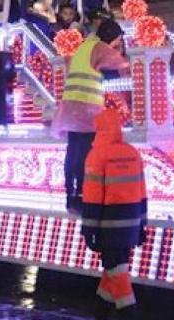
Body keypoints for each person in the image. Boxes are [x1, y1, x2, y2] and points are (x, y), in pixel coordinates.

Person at [53, 20, 131, 214]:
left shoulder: (86, 45)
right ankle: (81, 196)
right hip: (85, 109)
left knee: (73, 152)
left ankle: (70, 196)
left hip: (71, 106)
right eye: (117, 40)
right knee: (85, 154)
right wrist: (124, 50)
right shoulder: (100, 48)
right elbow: (124, 64)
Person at [82, 108, 148, 319]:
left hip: (108, 226)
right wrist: (142, 225)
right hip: (132, 222)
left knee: (117, 273)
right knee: (114, 270)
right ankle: (99, 313)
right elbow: (142, 191)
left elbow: (92, 197)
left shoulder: (97, 155)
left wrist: (88, 229)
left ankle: (130, 313)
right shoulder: (132, 152)